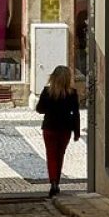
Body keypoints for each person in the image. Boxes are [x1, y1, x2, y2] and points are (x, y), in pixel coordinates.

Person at [36, 64, 80, 196]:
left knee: (51, 155)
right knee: (60, 155)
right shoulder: (72, 93)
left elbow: (39, 109)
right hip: (65, 128)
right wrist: (76, 132)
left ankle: (53, 182)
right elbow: (76, 113)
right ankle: (57, 181)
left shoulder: (47, 92)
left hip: (50, 127)